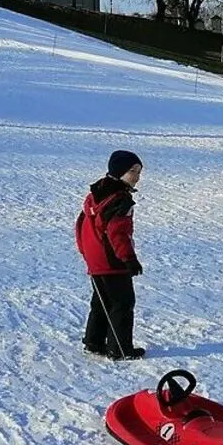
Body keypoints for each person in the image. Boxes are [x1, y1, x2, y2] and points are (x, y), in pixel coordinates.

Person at [77, 150, 146, 360]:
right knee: (122, 303)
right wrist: (129, 259)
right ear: (119, 172)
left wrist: (86, 252)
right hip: (112, 261)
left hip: (96, 259)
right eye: (132, 171)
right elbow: (118, 233)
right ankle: (120, 348)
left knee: (101, 301)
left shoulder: (95, 195)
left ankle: (94, 342)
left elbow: (81, 225)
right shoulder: (120, 200)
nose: (137, 176)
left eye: (139, 171)